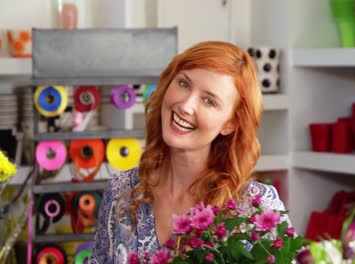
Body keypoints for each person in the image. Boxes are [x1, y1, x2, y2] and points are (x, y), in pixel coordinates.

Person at [90, 41, 290, 263]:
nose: (185, 105)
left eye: (209, 101)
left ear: (230, 124)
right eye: (184, 83)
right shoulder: (121, 191)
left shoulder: (256, 207)